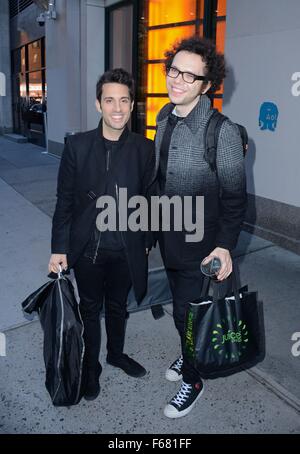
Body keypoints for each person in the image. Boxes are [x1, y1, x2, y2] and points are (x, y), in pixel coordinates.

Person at [153, 36, 247, 418]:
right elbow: (159, 179)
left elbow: (235, 198)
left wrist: (224, 246)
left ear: (207, 85)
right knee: (182, 308)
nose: (177, 80)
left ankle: (194, 379)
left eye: (189, 76)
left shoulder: (221, 131)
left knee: (186, 313)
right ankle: (187, 350)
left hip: (203, 247)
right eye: (174, 70)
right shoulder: (162, 116)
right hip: (169, 238)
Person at [48, 68, 155, 401]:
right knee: (90, 310)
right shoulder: (77, 146)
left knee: (119, 307)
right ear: (98, 105)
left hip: (125, 250)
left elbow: (150, 198)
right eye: (110, 100)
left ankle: (116, 354)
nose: (118, 108)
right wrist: (58, 248)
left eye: (124, 100)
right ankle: (92, 366)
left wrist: (148, 241)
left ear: (132, 103)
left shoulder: (144, 148)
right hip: (88, 252)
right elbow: (64, 200)